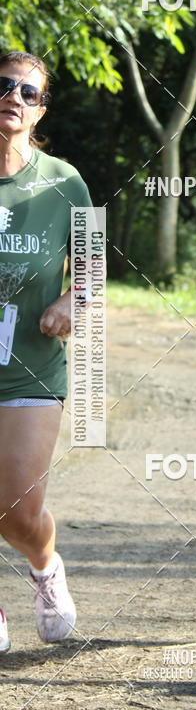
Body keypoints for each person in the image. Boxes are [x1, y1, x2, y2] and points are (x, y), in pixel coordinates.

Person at [0, 51, 93, 652]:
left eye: (28, 93)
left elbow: (93, 266)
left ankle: (45, 567)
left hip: (31, 363)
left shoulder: (63, 180)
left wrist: (70, 300)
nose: (14, 96)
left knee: (18, 511)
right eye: (4, 86)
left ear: (40, 111)